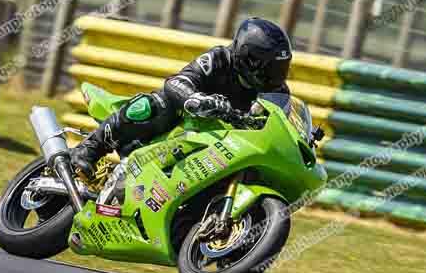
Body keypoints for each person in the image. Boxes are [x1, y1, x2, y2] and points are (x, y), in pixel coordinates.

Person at [70, 17, 293, 175]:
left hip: (224, 146)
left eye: (281, 69)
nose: (276, 76)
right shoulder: (218, 59)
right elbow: (178, 82)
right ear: (249, 58)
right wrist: (197, 98)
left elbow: (279, 124)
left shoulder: (277, 92)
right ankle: (90, 148)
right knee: (156, 104)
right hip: (186, 121)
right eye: (271, 68)